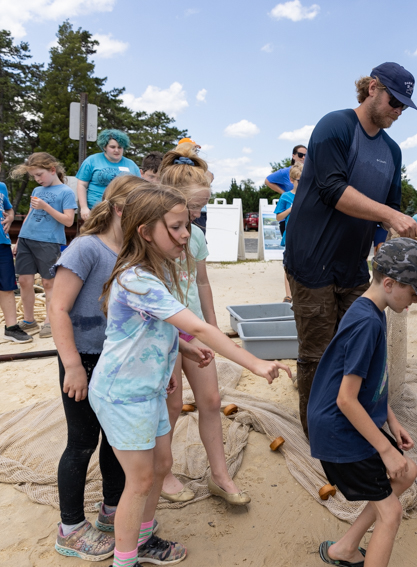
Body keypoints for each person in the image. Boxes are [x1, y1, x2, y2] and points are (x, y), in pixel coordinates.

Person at [88, 185, 289, 567]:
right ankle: (125, 559)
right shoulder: (137, 280)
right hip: (124, 396)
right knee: (141, 481)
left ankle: (143, 540)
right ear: (145, 232)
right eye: (176, 227)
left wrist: (182, 348)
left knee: (160, 467)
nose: (185, 235)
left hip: (148, 390)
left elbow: (150, 331)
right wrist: (255, 363)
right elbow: (199, 326)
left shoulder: (153, 273)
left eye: (188, 225)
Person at [283, 62, 417, 437]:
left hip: (354, 267)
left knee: (358, 343)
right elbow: (332, 189)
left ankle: (353, 419)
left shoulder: (392, 152)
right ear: (373, 88)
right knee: (316, 351)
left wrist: (383, 252)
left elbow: (383, 221)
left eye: (404, 106)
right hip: (310, 260)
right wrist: (391, 215)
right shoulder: (336, 126)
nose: (398, 111)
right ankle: (318, 433)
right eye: (394, 101)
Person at [308, 238, 417, 567]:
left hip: (347, 423)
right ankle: (348, 550)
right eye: (413, 294)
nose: (412, 303)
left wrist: (392, 421)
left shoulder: (371, 310)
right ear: (389, 283)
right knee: (391, 513)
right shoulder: (367, 323)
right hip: (339, 430)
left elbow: (372, 382)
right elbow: (346, 399)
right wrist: (384, 450)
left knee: (406, 472)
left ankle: (344, 549)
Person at [48, 176, 150, 561]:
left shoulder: (132, 252)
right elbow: (58, 308)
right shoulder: (85, 248)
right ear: (121, 209)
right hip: (84, 359)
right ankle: (70, 528)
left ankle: (111, 508)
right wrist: (72, 365)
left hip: (117, 361)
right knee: (82, 441)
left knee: (116, 439)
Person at [156, 151, 251, 505]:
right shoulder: (153, 238)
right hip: (164, 333)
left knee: (211, 399)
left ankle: (219, 474)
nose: (198, 215)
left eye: (201, 207)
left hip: (194, 328)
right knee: (171, 403)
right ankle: (163, 473)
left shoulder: (194, 235)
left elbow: (202, 282)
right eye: (195, 206)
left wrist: (212, 325)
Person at [10, 153, 77, 339]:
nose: (37, 179)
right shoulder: (37, 191)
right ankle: (29, 320)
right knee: (24, 280)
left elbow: (69, 221)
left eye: (39, 174)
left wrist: (46, 207)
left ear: (52, 170)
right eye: (34, 176)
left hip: (48, 241)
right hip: (26, 239)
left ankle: (49, 320)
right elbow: (31, 214)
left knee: (49, 282)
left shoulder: (66, 192)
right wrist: (19, 238)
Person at [76, 129, 140, 221]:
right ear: (104, 147)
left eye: (120, 147)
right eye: (112, 147)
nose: (117, 150)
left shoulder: (131, 165)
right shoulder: (92, 160)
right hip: (96, 210)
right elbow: (82, 184)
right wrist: (84, 208)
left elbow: (138, 189)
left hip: (123, 212)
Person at [0, 151, 31, 344]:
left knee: (7, 286)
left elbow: (9, 208)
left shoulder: (2, 187)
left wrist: (11, 216)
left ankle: (11, 327)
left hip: (2, 243)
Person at [274, 163, 302, 303]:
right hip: (291, 236)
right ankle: (289, 295)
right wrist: (291, 209)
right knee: (289, 265)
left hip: (306, 236)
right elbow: (278, 217)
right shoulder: (286, 196)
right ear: (292, 180)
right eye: (299, 180)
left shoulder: (308, 195)